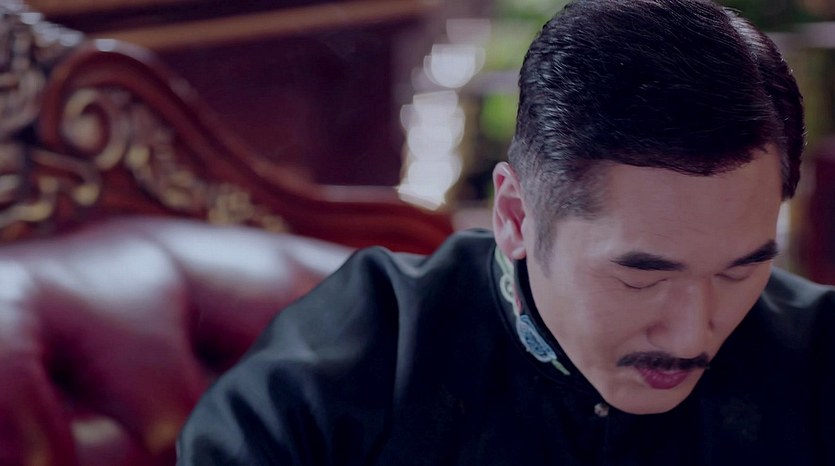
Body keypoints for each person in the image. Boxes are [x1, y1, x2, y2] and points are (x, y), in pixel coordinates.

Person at [177, 0, 835, 464]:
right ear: (515, 217)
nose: (692, 336)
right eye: (642, 275)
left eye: (739, 269)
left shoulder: (817, 359)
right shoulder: (346, 370)